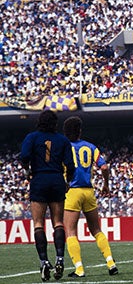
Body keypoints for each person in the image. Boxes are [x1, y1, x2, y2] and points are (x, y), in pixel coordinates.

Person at [20, 110, 75, 281]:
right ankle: (60, 258)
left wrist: (28, 171)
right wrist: (68, 181)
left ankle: (44, 262)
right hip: (57, 179)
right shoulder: (63, 140)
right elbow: (70, 165)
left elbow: (24, 157)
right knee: (58, 222)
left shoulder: (32, 137)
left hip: (39, 180)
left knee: (38, 223)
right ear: (55, 123)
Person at [62, 116, 118, 278]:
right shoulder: (91, 147)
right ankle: (110, 262)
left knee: (71, 231)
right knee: (96, 230)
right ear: (79, 131)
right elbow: (105, 166)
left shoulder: (63, 147)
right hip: (88, 191)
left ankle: (79, 269)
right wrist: (106, 184)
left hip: (72, 192)